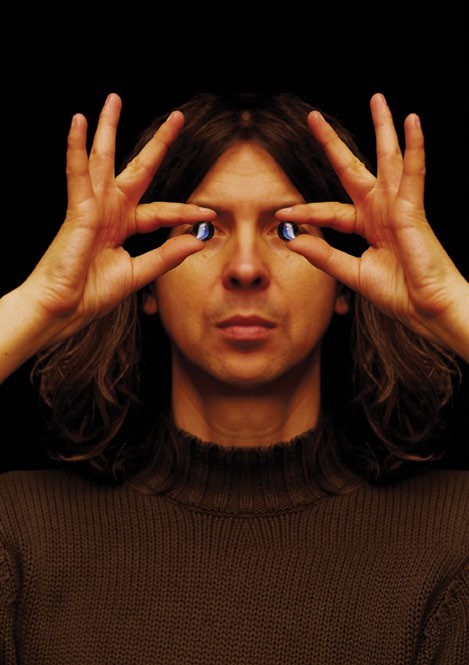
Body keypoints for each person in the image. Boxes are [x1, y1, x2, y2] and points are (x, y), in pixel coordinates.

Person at [0, 90, 468, 664]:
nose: (246, 269)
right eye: (204, 230)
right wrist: (41, 305)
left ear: (347, 279)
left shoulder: (454, 534)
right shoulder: (19, 529)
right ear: (144, 280)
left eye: (288, 231)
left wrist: (450, 305)